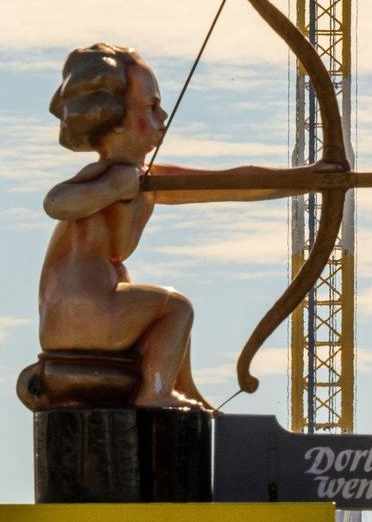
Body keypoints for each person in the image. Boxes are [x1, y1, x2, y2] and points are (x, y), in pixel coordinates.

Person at [42, 43, 340, 409]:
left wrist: (308, 179)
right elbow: (56, 202)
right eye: (150, 107)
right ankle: (156, 392)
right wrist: (109, 188)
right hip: (77, 311)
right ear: (116, 119)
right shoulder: (109, 175)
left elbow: (232, 183)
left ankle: (180, 388)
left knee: (163, 314)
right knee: (175, 309)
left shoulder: (146, 179)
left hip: (86, 309)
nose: (163, 115)